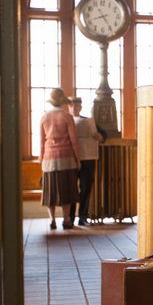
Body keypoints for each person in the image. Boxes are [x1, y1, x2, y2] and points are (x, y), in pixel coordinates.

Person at [39, 88, 80, 230]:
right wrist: (78, 159)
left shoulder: (44, 117)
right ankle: (66, 219)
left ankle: (52, 219)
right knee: (66, 189)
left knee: (50, 191)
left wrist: (41, 159)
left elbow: (41, 141)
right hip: (66, 158)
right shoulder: (67, 117)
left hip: (48, 158)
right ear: (63, 102)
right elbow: (74, 140)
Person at [67, 97, 103, 226]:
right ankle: (70, 217)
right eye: (72, 106)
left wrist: (99, 137)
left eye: (77, 106)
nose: (75, 108)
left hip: (88, 158)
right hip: (70, 158)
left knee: (86, 187)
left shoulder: (88, 121)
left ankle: (83, 216)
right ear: (68, 107)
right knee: (71, 188)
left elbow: (102, 135)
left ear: (81, 107)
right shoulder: (65, 120)